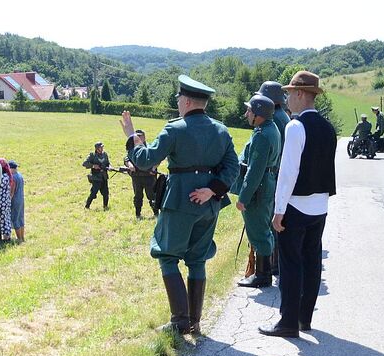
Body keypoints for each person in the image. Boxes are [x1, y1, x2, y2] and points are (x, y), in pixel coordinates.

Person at [120, 74, 239, 335]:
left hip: (180, 201)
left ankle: (180, 321)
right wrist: (212, 190)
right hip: (209, 203)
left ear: (185, 102)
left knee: (167, 255)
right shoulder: (221, 130)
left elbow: (144, 160)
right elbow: (233, 167)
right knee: (197, 260)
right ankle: (194, 322)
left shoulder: (174, 128)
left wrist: (132, 137)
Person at [259, 70, 337, 338]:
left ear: (301, 94)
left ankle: (288, 322)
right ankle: (305, 318)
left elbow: (288, 172)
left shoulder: (295, 126)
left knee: (291, 264)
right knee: (312, 262)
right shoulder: (328, 128)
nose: (287, 98)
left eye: (290, 93)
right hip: (320, 206)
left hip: (296, 205)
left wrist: (279, 210)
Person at [231, 94, 281, 289]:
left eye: (249, 110)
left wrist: (243, 197)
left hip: (259, 188)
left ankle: (262, 275)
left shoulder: (262, 135)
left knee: (258, 230)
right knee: (264, 228)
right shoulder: (271, 129)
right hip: (267, 184)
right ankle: (264, 272)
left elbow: (254, 170)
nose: (246, 113)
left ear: (258, 114)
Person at [247, 81, 292, 278]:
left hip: (272, 175)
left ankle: (270, 266)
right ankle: (272, 264)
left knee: (266, 224)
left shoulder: (277, 121)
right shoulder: (281, 117)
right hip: (275, 175)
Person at [123, 131, 159, 219]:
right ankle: (138, 214)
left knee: (152, 196)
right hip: (137, 177)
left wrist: (154, 168)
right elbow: (127, 158)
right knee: (138, 196)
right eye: (137, 137)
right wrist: (129, 165)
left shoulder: (150, 147)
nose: (138, 139)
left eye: (140, 137)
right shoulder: (133, 148)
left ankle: (156, 214)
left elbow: (158, 158)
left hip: (149, 177)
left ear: (144, 137)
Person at [83, 141, 111, 210]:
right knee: (93, 193)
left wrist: (110, 167)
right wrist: (93, 166)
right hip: (96, 178)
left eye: (102, 147)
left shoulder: (105, 154)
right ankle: (87, 206)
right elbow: (85, 163)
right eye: (100, 147)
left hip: (104, 177)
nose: (102, 149)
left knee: (106, 193)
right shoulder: (92, 155)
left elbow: (108, 163)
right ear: (97, 148)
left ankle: (105, 206)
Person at [0, 158, 14, 241]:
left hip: (2, 201)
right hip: (7, 200)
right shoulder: (8, 175)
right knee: (6, 217)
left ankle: (6, 237)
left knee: (2, 218)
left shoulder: (2, 177)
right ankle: (8, 235)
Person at [9, 160, 26, 242]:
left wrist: (8, 201)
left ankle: (19, 238)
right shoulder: (20, 175)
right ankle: (22, 237)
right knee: (21, 218)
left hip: (15, 200)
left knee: (15, 219)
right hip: (21, 199)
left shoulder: (13, 178)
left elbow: (12, 192)